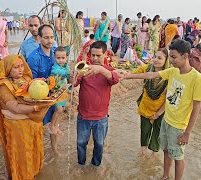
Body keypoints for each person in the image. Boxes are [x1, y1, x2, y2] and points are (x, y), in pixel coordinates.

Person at [123, 40, 201, 180]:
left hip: (179, 126)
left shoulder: (197, 78)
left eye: (173, 57)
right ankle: (165, 176)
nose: (171, 61)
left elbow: (197, 107)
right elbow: (150, 75)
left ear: (185, 56)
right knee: (166, 151)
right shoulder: (173, 71)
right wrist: (127, 75)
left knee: (178, 157)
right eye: (170, 57)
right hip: (166, 120)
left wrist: (187, 133)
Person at [0, 54, 66, 180]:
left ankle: (33, 173)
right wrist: (36, 108)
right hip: (17, 127)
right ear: (8, 68)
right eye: (16, 67)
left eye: (21, 66)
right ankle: (19, 176)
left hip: (32, 124)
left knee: (34, 150)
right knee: (21, 154)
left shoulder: (25, 80)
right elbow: (14, 107)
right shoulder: (2, 86)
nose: (20, 69)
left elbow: (36, 96)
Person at [74, 41, 120, 173]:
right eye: (92, 55)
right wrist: (75, 74)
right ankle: (81, 164)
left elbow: (114, 79)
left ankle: (96, 165)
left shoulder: (109, 70)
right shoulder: (85, 69)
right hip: (83, 116)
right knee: (81, 143)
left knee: (99, 144)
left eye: (98, 56)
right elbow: (74, 83)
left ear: (105, 55)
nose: (94, 58)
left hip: (101, 118)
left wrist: (101, 69)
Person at [26, 24, 61, 154]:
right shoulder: (33, 57)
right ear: (39, 38)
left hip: (55, 95)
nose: (50, 41)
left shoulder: (55, 52)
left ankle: (55, 151)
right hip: (39, 98)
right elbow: (31, 82)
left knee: (55, 125)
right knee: (38, 128)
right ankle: (37, 154)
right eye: (46, 37)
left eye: (52, 37)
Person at [131, 48, 170, 155]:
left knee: (157, 133)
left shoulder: (170, 75)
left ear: (166, 60)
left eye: (159, 58)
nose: (156, 60)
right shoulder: (147, 68)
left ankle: (153, 156)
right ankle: (143, 155)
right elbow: (133, 74)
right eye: (154, 57)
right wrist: (122, 74)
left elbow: (168, 99)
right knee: (144, 131)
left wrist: (157, 114)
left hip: (161, 110)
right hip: (145, 107)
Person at [49, 47, 71, 136]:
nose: (61, 60)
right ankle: (51, 125)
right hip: (56, 92)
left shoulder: (66, 66)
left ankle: (56, 126)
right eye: (58, 58)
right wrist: (68, 73)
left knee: (61, 109)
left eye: (63, 58)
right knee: (59, 109)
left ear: (66, 58)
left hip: (63, 91)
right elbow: (58, 72)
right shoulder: (55, 67)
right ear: (54, 58)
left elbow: (69, 76)